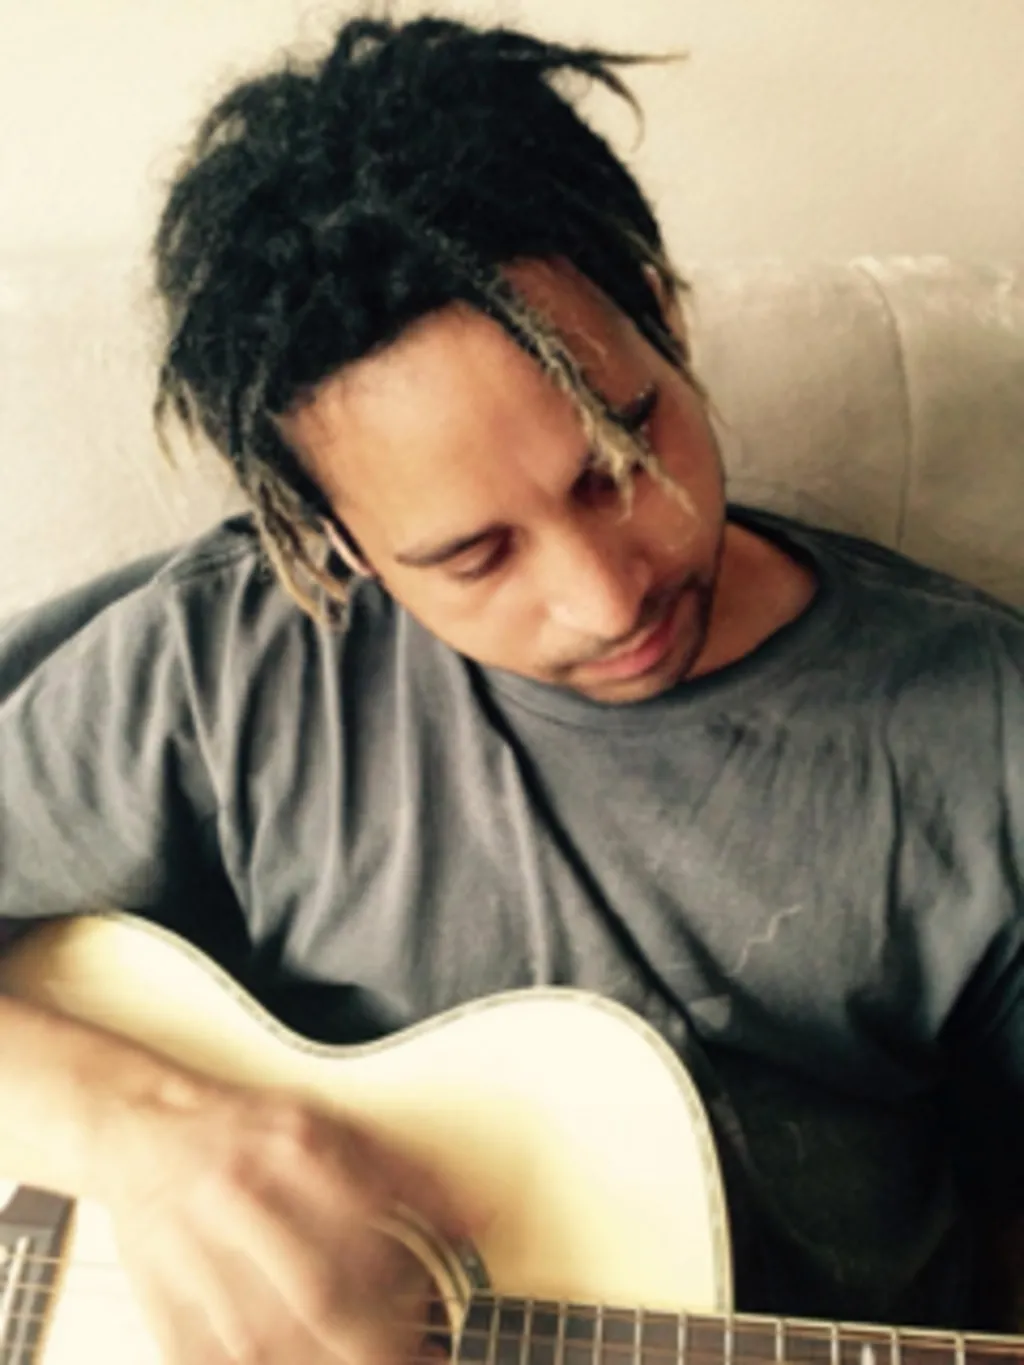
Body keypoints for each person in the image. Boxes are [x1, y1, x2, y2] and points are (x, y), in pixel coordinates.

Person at [1, 12, 1022, 1362]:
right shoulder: (222, 667)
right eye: (473, 555)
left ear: (661, 313)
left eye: (618, 459)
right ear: (334, 539)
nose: (608, 597)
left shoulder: (985, 732)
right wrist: (145, 1136)